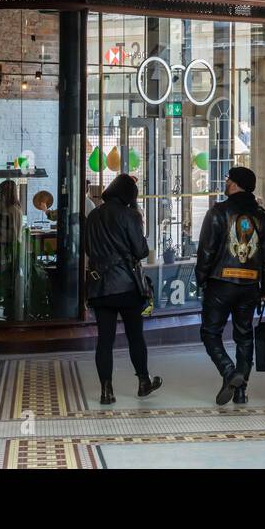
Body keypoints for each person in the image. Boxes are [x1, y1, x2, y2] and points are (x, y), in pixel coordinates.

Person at [196, 166, 265, 406]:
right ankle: (241, 391)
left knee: (210, 333)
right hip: (250, 284)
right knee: (244, 336)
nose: (226, 182)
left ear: (236, 184)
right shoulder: (262, 216)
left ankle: (229, 371)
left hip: (221, 283)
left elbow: (206, 251)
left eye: (228, 179)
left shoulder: (218, 212)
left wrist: (201, 279)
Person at [83, 173, 162, 405]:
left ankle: (106, 390)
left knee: (104, 341)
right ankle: (143, 382)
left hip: (100, 286)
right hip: (127, 286)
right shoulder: (130, 215)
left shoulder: (93, 215)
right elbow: (141, 251)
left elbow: (88, 248)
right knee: (135, 336)